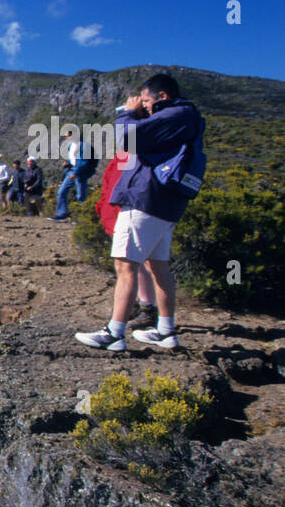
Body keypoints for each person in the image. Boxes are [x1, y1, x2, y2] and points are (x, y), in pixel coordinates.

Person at [75, 74, 204, 351]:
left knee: (125, 265)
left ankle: (114, 333)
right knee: (158, 267)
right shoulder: (183, 117)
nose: (142, 105)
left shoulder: (175, 115)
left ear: (162, 97)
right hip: (164, 205)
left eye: (146, 100)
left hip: (144, 200)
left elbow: (126, 138)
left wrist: (126, 113)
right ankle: (166, 332)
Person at [95, 150, 158, 330]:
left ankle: (147, 307)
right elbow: (110, 183)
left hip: (128, 213)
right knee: (128, 264)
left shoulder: (138, 156)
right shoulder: (124, 156)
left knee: (134, 263)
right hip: (117, 213)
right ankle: (136, 304)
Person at [48, 131, 93, 221]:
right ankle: (61, 214)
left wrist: (75, 173)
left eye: (67, 136)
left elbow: (83, 162)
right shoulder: (71, 145)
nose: (66, 138)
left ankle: (83, 218)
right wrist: (67, 162)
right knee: (61, 192)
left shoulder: (82, 146)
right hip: (71, 170)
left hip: (80, 172)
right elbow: (72, 158)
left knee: (81, 195)